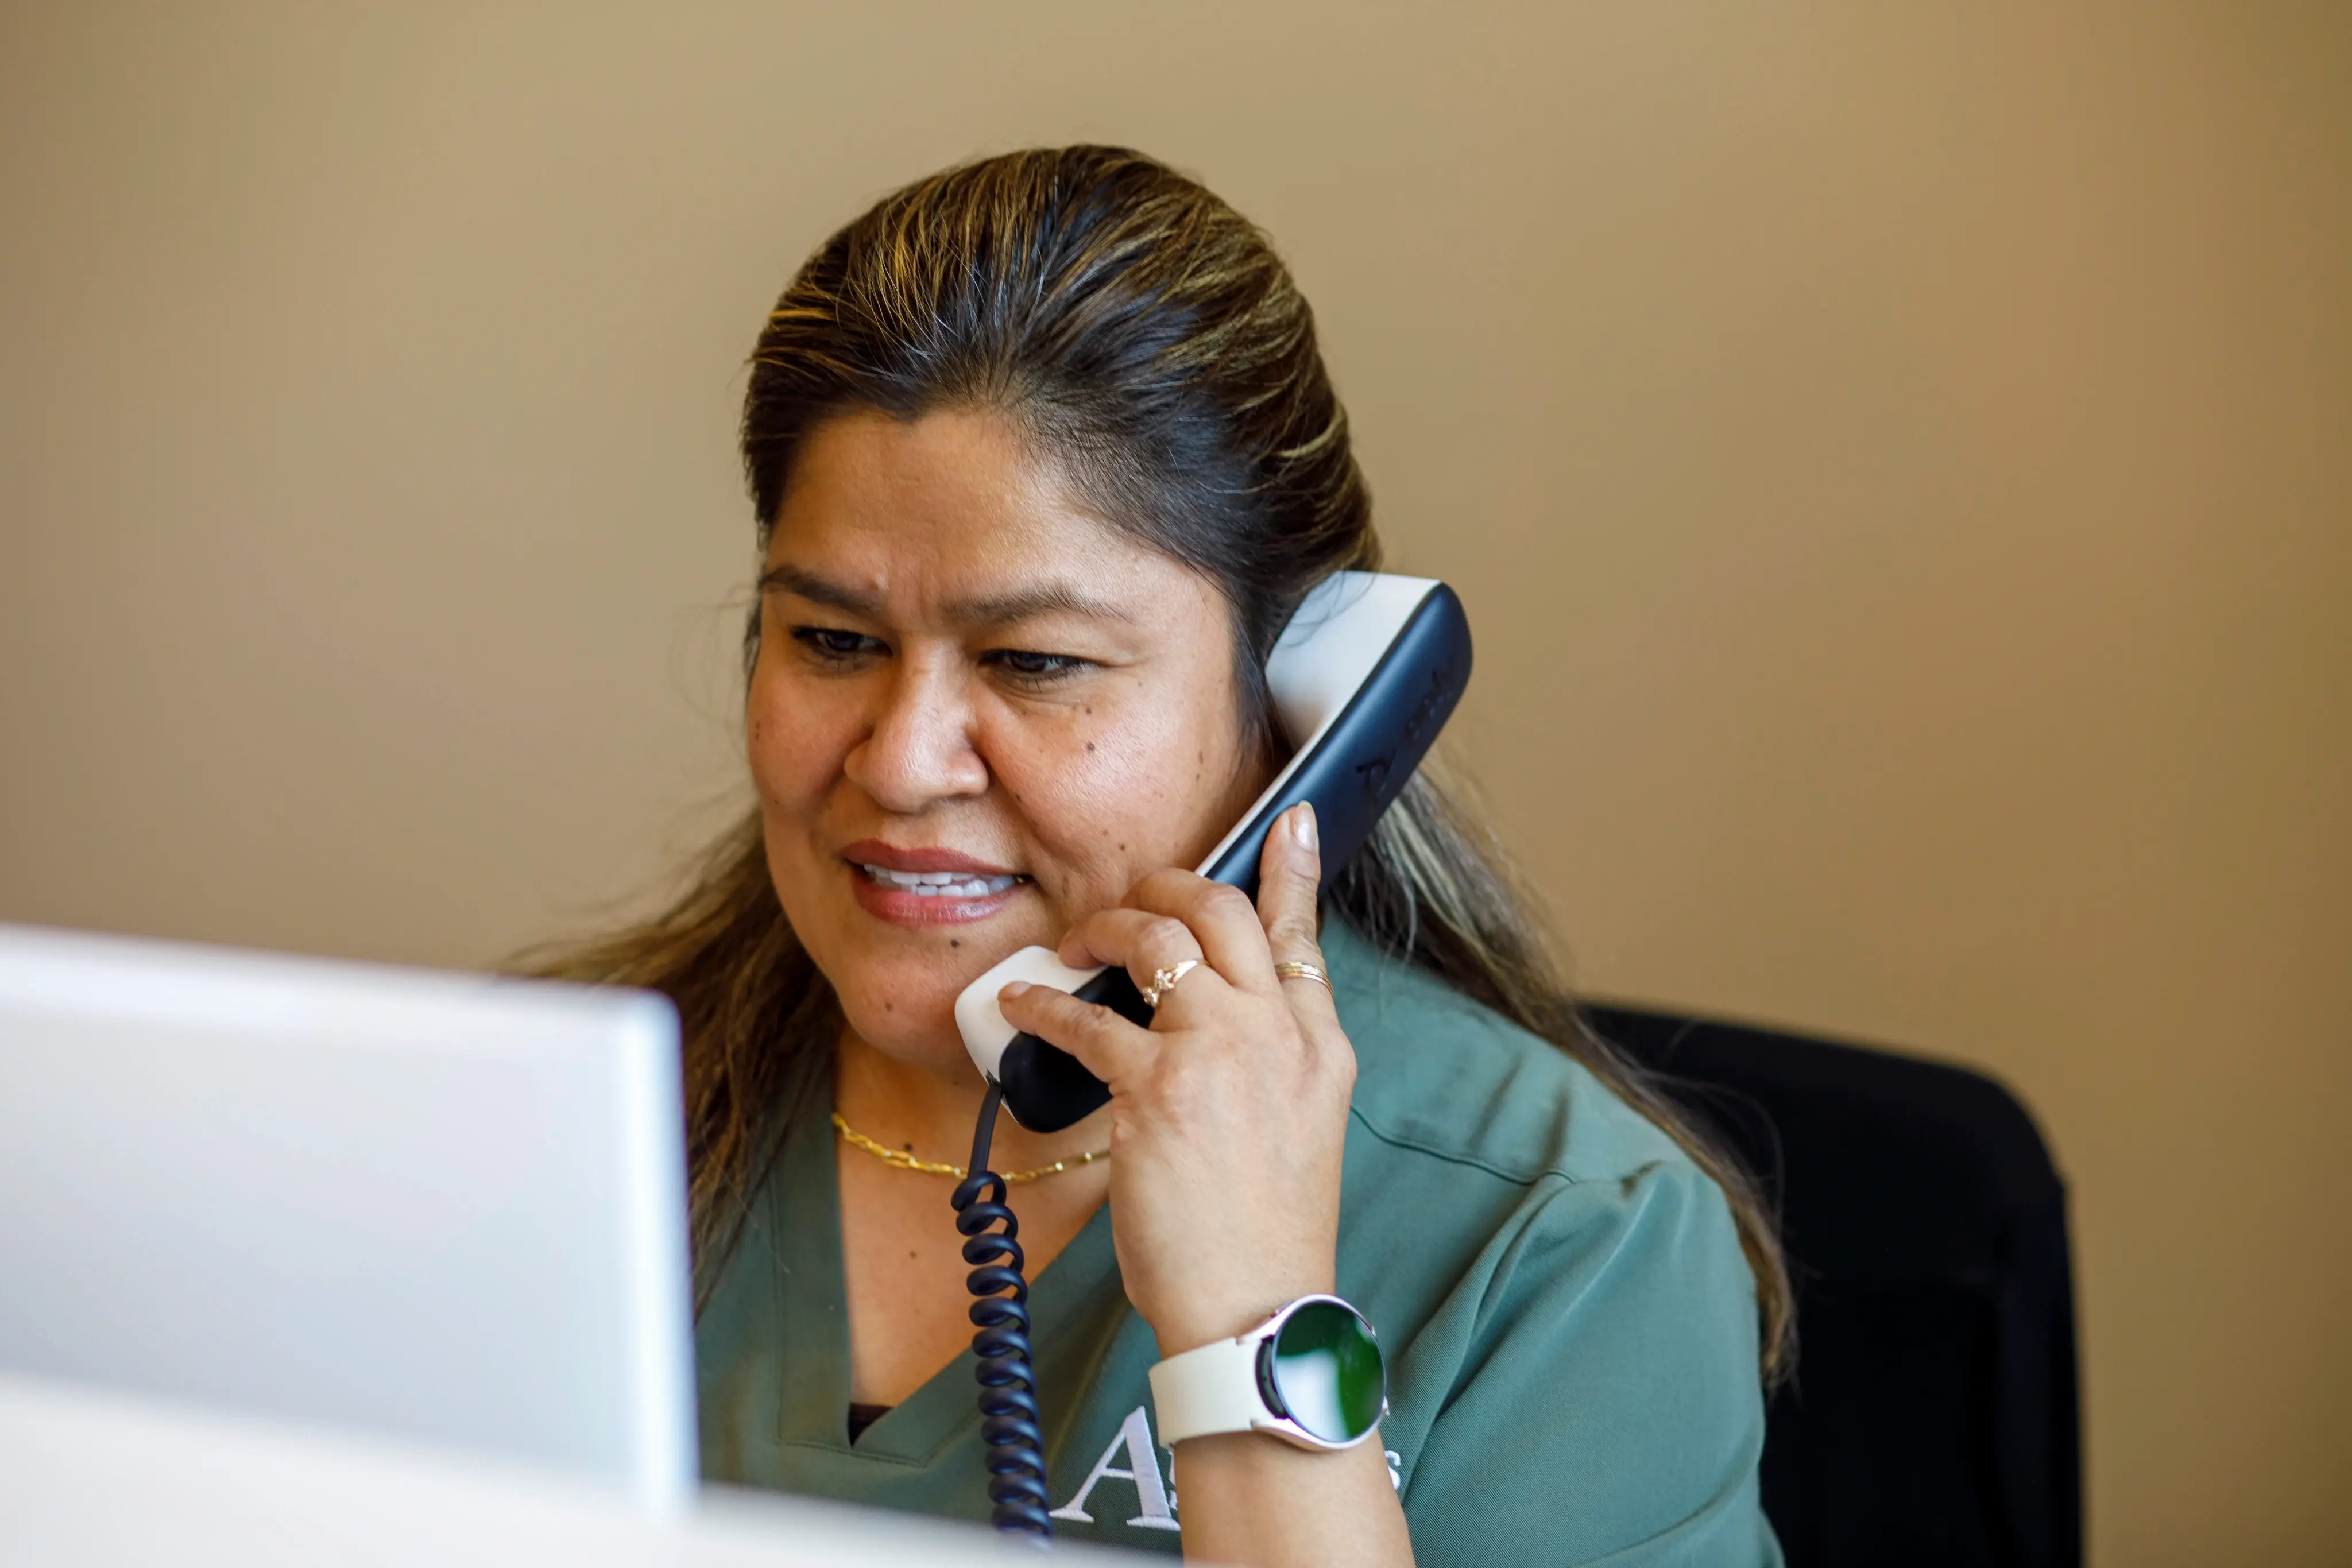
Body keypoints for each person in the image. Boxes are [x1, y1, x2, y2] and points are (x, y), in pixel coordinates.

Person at [532, 146, 1790, 1567]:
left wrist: (1252, 1329)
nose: (896, 760)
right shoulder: (545, 1119)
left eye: (1036, 661)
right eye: (832, 641)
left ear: (1303, 710)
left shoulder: (1565, 1246)